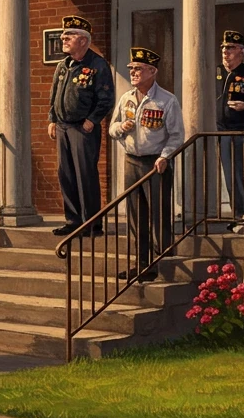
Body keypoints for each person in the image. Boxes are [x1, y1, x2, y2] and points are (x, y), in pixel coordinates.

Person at [110, 47, 184, 282]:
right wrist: (121, 128)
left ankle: (163, 264)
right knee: (135, 215)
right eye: (131, 68)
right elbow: (112, 127)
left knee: (159, 215)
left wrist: (165, 156)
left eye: (139, 69)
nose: (133, 73)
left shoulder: (167, 100)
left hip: (155, 163)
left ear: (152, 71)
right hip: (131, 161)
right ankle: (141, 264)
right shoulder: (126, 98)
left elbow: (176, 135)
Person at [47, 15, 116, 237]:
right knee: (65, 175)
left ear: (83, 40)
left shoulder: (97, 65)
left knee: (85, 175)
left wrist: (92, 120)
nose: (63, 38)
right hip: (63, 127)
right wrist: (52, 119)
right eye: (63, 34)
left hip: (83, 129)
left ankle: (92, 224)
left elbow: (106, 98)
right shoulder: (63, 65)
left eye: (70, 34)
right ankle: (73, 221)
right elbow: (54, 95)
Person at [216, 30, 244, 232]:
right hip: (218, 130)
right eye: (223, 48)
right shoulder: (217, 72)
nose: (225, 52)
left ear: (241, 51)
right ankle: (236, 214)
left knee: (237, 174)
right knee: (227, 175)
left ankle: (243, 214)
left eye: (230, 48)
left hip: (238, 130)